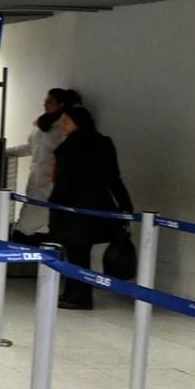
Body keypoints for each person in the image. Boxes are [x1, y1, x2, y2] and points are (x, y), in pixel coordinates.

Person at [48, 101, 132, 310]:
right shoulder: (103, 143)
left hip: (74, 209)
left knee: (76, 253)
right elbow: (114, 178)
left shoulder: (69, 147)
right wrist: (125, 206)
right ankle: (72, 293)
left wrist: (54, 207)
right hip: (100, 207)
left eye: (66, 122)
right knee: (79, 252)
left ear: (78, 123)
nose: (63, 126)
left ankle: (79, 296)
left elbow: (64, 182)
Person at [8, 88, 75, 243]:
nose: (45, 104)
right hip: (37, 183)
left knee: (31, 228)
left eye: (50, 101)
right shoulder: (41, 125)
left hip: (51, 185)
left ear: (61, 104)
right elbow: (31, 148)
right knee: (31, 224)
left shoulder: (62, 129)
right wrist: (2, 151)